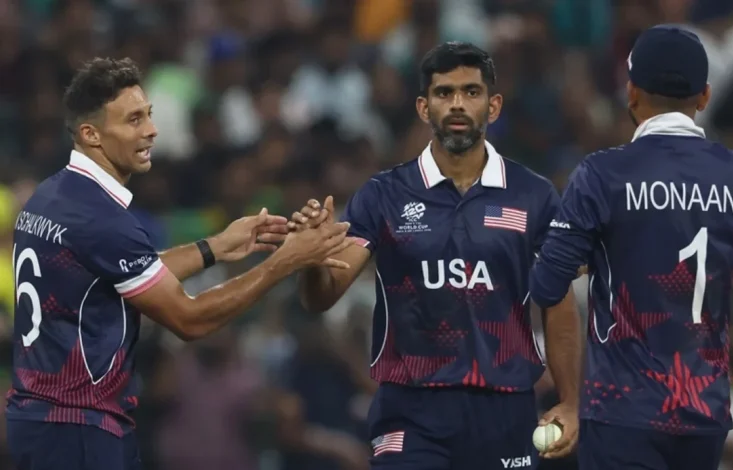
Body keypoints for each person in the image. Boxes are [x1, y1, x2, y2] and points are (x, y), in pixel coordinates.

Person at [5, 57, 352, 470]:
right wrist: (285, 261)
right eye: (134, 120)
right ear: (91, 134)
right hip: (80, 429)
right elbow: (190, 320)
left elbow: (125, 272)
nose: (151, 130)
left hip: (35, 419)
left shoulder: (49, 196)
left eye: (148, 115)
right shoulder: (103, 219)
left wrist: (215, 247)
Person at [291, 42, 581, 470]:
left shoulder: (533, 195)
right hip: (410, 410)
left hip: (504, 410)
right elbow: (322, 296)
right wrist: (312, 259)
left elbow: (558, 303)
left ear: (493, 106)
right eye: (444, 93)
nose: (458, 104)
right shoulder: (383, 195)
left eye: (471, 92)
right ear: (424, 108)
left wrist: (570, 402)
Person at [529, 25, 733, 470]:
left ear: (631, 92)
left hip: (622, 410)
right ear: (704, 97)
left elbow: (547, 284)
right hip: (704, 413)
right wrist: (719, 237)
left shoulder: (602, 175)